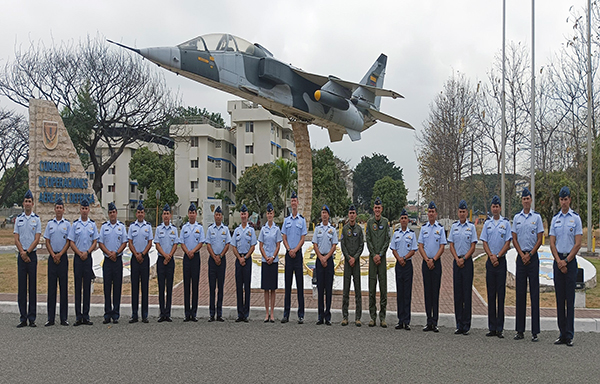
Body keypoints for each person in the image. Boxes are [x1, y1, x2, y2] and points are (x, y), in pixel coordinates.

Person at [550, 186, 582, 347]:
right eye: (561, 199)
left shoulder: (575, 219)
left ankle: (569, 335)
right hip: (558, 262)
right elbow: (552, 243)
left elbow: (578, 244)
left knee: (570, 300)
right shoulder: (555, 219)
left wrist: (566, 261)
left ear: (570, 200)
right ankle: (561, 333)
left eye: (566, 199)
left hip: (570, 263)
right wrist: (558, 261)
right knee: (559, 299)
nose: (564, 202)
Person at [512, 187, 544, 342]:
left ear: (531, 200)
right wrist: (521, 254)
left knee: (534, 295)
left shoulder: (536, 218)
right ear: (522, 201)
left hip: (532, 257)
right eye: (523, 199)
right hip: (521, 257)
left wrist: (530, 254)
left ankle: (535, 332)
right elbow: (514, 238)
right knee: (520, 294)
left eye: (528, 198)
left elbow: (540, 238)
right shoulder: (517, 217)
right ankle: (520, 330)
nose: (526, 201)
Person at [480, 195, 512, 338]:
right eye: (493, 206)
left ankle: (500, 328)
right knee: (491, 295)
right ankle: (492, 327)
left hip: (501, 261)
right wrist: (491, 256)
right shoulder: (487, 224)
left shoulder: (506, 223)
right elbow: (484, 242)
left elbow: (507, 242)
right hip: (490, 261)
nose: (495, 209)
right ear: (491, 208)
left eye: (497, 206)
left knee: (501, 295)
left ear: (500, 208)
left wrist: (498, 256)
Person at [448, 200, 477, 335]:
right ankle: (459, 324)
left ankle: (466, 325)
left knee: (467, 293)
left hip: (467, 262)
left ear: (467, 213)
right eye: (460, 212)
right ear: (458, 212)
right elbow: (451, 245)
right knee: (458, 293)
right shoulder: (454, 227)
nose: (462, 214)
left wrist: (464, 258)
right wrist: (457, 259)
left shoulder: (471, 227)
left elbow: (473, 246)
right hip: (456, 261)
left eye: (464, 212)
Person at [69, 198, 99, 326]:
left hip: (87, 258)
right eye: (83, 208)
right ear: (80, 209)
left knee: (87, 287)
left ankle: (86, 315)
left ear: (89, 210)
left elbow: (95, 242)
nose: (84, 211)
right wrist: (79, 253)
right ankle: (78, 316)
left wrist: (87, 253)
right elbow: (71, 242)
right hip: (78, 258)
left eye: (86, 209)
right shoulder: (75, 225)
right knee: (77, 287)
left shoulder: (92, 225)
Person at [418, 201, 447, 332]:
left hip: (436, 264)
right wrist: (426, 259)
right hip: (426, 263)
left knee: (435, 293)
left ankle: (435, 322)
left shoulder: (440, 228)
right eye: (429, 212)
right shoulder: (423, 228)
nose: (430, 214)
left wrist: (433, 260)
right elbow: (420, 246)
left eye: (432, 212)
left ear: (436, 214)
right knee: (427, 293)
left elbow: (442, 247)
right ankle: (428, 321)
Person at [14, 190, 41, 328]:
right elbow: (16, 238)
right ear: (23, 203)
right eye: (26, 201)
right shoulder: (18, 219)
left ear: (33, 203)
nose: (28, 204)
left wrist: (28, 252)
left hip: (32, 255)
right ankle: (23, 318)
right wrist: (22, 253)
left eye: (30, 201)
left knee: (32, 288)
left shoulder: (36, 219)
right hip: (21, 255)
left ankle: (32, 318)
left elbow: (37, 239)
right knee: (22, 288)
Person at [98, 202, 127, 324]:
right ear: (108, 214)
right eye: (110, 213)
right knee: (107, 288)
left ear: (116, 213)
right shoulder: (104, 227)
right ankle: (107, 314)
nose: (112, 214)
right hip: (108, 261)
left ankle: (115, 314)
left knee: (117, 287)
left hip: (117, 260)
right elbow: (100, 243)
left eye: (113, 212)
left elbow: (124, 242)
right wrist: (109, 253)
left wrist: (116, 253)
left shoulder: (121, 227)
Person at [44, 197, 71, 327]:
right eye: (57, 208)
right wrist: (53, 254)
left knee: (63, 288)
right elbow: (47, 241)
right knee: (52, 289)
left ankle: (64, 318)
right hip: (52, 257)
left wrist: (60, 254)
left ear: (63, 210)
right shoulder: (50, 224)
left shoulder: (67, 224)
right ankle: (50, 318)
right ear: (54, 209)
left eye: (61, 208)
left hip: (63, 257)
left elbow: (68, 242)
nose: (59, 210)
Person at [281, 191, 307, 324]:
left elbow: (303, 238)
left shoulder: (302, 220)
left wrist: (295, 250)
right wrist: (289, 249)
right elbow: (284, 237)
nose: (293, 202)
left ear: (298, 202)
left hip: (297, 255)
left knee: (300, 286)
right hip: (288, 254)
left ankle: (301, 314)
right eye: (291, 201)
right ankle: (286, 314)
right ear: (290, 203)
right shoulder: (286, 220)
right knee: (288, 286)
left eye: (295, 200)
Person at [390, 209, 417, 330]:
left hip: (408, 265)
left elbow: (413, 249)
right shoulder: (396, 234)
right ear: (400, 220)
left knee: (407, 293)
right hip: (398, 265)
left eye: (405, 218)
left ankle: (407, 321)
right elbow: (393, 248)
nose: (404, 220)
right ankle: (400, 320)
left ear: (408, 220)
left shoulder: (412, 234)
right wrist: (399, 259)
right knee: (400, 293)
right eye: (402, 218)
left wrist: (404, 258)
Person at [366, 197, 391, 328]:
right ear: (373, 209)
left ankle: (382, 317)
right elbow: (368, 239)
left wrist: (380, 254)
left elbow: (387, 240)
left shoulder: (386, 222)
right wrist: (374, 254)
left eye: (379, 208)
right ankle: (372, 317)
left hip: (381, 259)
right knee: (371, 289)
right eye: (375, 208)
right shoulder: (370, 223)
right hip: (372, 258)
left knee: (383, 289)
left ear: (381, 209)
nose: (377, 210)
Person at [127, 202, 153, 323]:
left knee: (145, 287)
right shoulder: (132, 227)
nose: (140, 214)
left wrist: (142, 254)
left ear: (144, 213)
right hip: (135, 258)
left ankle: (144, 315)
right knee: (135, 287)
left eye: (142, 212)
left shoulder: (148, 226)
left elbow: (150, 243)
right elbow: (130, 242)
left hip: (144, 258)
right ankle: (134, 314)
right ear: (136, 213)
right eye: (138, 212)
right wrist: (136, 254)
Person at [231, 204, 257, 322]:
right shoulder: (236, 230)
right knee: (238, 287)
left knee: (246, 287)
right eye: (241, 214)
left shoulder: (250, 230)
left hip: (247, 259)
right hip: (238, 260)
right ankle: (239, 313)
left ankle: (246, 314)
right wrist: (239, 258)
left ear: (248, 215)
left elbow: (253, 246)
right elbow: (233, 247)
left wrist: (245, 258)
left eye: (245, 214)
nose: (243, 216)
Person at [313, 205, 338, 325]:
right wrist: (321, 257)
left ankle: (327, 316)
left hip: (329, 261)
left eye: (325, 213)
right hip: (319, 259)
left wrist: (326, 258)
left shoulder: (332, 230)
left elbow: (334, 246)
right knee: (320, 288)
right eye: (322, 212)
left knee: (328, 289)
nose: (324, 215)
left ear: (328, 215)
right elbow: (315, 245)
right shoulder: (317, 229)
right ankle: (320, 316)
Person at [205, 206, 231, 322]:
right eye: (216, 215)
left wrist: (220, 256)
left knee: (220, 287)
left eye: (220, 215)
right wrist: (214, 256)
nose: (218, 216)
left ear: (222, 216)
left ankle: (219, 314)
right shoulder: (210, 230)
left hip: (222, 260)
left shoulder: (225, 229)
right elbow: (208, 245)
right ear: (214, 216)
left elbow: (227, 245)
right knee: (212, 288)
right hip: (212, 260)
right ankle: (211, 314)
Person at [180, 203, 205, 322]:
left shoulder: (199, 228)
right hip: (186, 257)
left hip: (195, 257)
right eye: (190, 212)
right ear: (188, 214)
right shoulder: (184, 228)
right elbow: (181, 242)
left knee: (195, 286)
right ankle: (187, 313)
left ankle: (194, 313)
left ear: (196, 214)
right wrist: (187, 252)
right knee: (186, 286)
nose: (191, 215)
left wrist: (193, 251)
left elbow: (201, 242)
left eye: (193, 212)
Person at [154, 204, 179, 322]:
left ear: (170, 215)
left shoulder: (174, 229)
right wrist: (165, 255)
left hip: (170, 260)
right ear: (162, 215)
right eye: (164, 214)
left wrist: (169, 256)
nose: (166, 216)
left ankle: (167, 313)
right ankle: (161, 313)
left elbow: (176, 244)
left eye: (168, 214)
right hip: (161, 259)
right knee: (161, 287)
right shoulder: (159, 229)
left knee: (169, 287)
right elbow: (157, 244)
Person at [340, 204, 364, 327]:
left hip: (356, 262)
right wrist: (348, 257)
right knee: (346, 290)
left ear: (356, 215)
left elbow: (361, 246)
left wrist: (355, 258)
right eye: (350, 213)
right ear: (348, 215)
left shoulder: (359, 229)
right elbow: (342, 245)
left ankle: (358, 317)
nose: (352, 215)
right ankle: (345, 317)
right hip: (348, 262)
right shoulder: (344, 229)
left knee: (358, 290)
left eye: (354, 213)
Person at [258, 203, 282, 323]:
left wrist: (272, 257)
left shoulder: (277, 229)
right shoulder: (263, 229)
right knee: (266, 289)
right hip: (265, 260)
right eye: (268, 213)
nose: (269, 215)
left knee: (273, 289)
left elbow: (278, 245)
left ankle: (272, 313)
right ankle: (266, 313)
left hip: (273, 261)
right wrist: (266, 257)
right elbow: (260, 245)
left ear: (273, 214)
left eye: (271, 213)